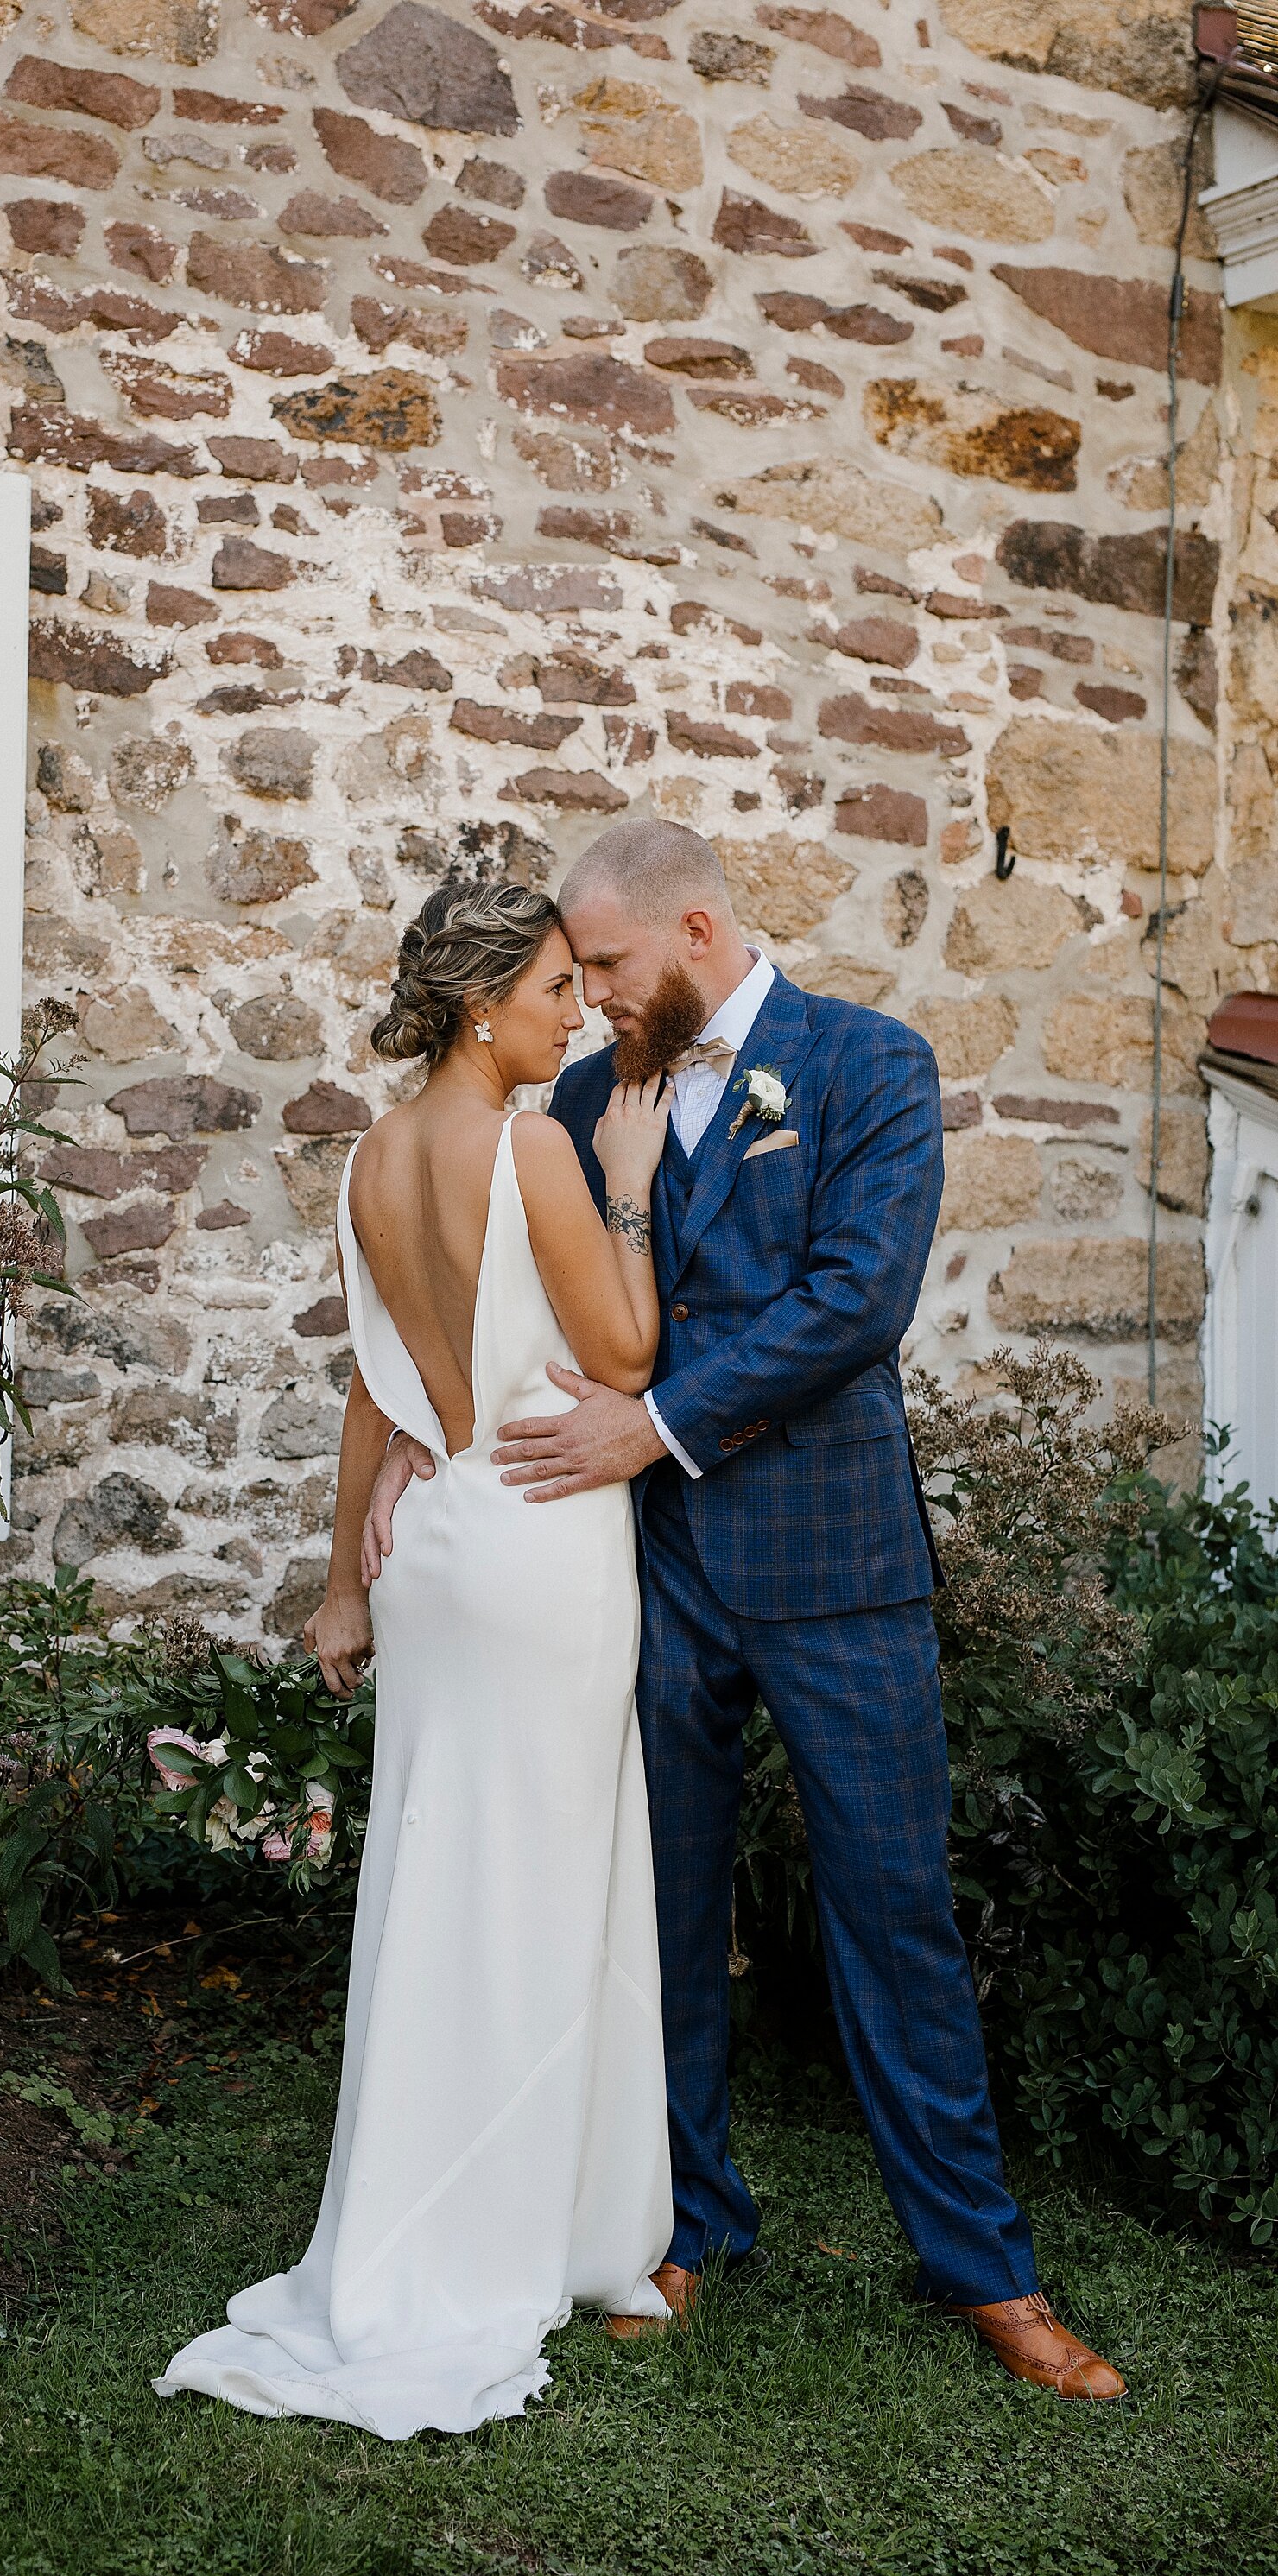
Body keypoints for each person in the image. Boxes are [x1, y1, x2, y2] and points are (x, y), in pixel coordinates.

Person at [364, 820, 1127, 2404]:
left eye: (612, 968)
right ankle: (682, 2223)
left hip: (838, 1578)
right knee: (658, 1912)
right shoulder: (572, 1100)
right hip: (635, 1575)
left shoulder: (868, 1065)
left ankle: (985, 2269)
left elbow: (857, 1301)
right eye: (569, 977)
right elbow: (503, 1304)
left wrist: (656, 1422)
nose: (589, 999)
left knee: (893, 1912)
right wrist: (408, 1451)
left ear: (697, 930)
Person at [155, 877, 676, 2440]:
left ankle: (445, 2205)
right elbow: (629, 1355)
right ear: (478, 1008)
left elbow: (376, 1398)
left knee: (443, 1877)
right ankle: (528, 2235)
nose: (575, 1015)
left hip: (437, 1545)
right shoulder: (536, 1146)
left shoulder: (375, 1158)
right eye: (551, 992)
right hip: (540, 1536)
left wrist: (342, 1592)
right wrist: (632, 1189)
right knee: (548, 1879)